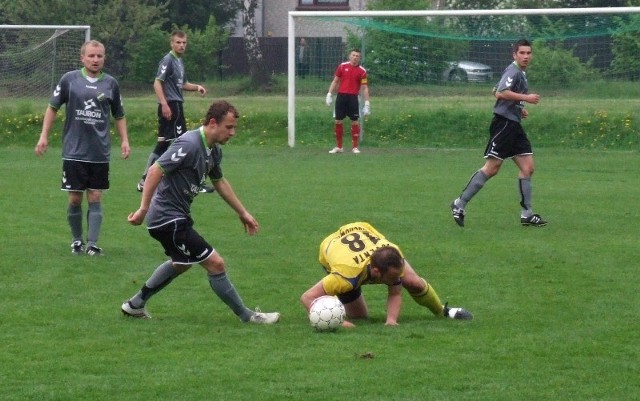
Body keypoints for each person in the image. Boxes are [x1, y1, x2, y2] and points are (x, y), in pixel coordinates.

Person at [122, 100, 280, 324]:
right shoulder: (189, 143)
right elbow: (156, 169)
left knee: (182, 263)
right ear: (213, 123)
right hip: (167, 218)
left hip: (176, 217)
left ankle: (135, 304)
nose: (233, 133)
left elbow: (220, 182)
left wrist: (242, 212)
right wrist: (142, 209)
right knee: (216, 263)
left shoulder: (213, 151)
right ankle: (248, 316)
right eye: (229, 127)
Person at [35, 40, 130, 256]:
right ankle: (77, 241)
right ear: (83, 58)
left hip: (99, 152)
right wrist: (43, 136)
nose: (96, 60)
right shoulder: (70, 80)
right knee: (75, 198)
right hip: (74, 151)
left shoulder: (111, 84)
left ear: (104, 58)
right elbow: (52, 108)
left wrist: (124, 140)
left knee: (96, 196)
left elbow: (119, 115)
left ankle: (93, 244)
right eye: (91, 56)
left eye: (99, 56)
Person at [450, 39, 547, 227]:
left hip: (514, 124)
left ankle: (527, 214)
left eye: (528, 53)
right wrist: (525, 98)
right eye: (522, 53)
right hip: (504, 125)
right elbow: (501, 92)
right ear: (514, 55)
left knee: (528, 168)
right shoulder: (513, 70)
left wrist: (519, 107)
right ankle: (459, 204)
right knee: (492, 168)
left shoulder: (519, 73)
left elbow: (494, 90)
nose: (526, 56)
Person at [300, 222, 472, 327]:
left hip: (363, 230)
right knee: (359, 317)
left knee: (413, 282)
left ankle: (442, 311)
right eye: (392, 277)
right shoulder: (344, 276)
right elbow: (307, 297)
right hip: (333, 248)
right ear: (376, 272)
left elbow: (395, 291)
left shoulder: (392, 252)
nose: (398, 279)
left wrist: (391, 320)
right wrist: (337, 321)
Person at [137, 30, 210, 193]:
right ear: (172, 43)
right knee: (184, 143)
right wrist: (164, 104)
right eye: (178, 42)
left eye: (184, 43)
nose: (182, 45)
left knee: (164, 143)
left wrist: (197, 87)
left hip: (175, 105)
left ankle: (145, 180)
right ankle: (191, 181)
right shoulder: (168, 60)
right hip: (171, 106)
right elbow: (157, 83)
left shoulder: (179, 62)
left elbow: (182, 84)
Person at [325, 48, 370, 154]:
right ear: (350, 56)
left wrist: (367, 103)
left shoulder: (362, 71)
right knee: (338, 120)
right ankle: (339, 147)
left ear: (359, 58)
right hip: (341, 97)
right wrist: (329, 94)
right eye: (353, 55)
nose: (355, 57)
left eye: (357, 56)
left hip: (353, 98)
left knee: (355, 121)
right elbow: (335, 81)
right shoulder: (342, 66)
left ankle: (354, 147)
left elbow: (364, 88)